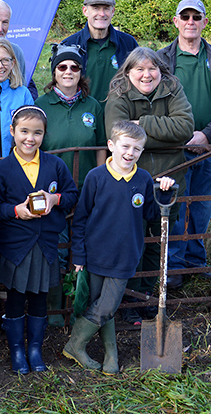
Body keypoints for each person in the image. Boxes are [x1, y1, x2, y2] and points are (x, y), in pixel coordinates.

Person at [65, 121, 175, 375]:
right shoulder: (96, 177)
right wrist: (79, 255)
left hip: (125, 256)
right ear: (111, 145)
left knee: (107, 306)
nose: (130, 153)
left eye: (137, 149)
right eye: (125, 146)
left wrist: (164, 193)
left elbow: (150, 213)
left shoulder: (144, 179)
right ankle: (110, 355)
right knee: (99, 304)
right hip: (95, 254)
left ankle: (75, 344)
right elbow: (81, 219)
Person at [104, 46, 193, 324]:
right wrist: (161, 134)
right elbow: (117, 136)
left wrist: (140, 124)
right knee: (132, 242)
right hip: (131, 181)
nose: (146, 75)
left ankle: (147, 297)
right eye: (139, 69)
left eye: (152, 68)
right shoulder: (118, 94)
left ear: (161, 70)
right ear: (128, 72)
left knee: (158, 242)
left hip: (169, 180)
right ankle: (127, 299)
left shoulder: (172, 89)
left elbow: (185, 128)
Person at [157, 0, 211, 288]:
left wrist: (207, 134)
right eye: (185, 16)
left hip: (209, 148)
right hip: (173, 149)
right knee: (176, 206)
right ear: (176, 22)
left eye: (196, 17)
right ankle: (173, 265)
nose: (190, 22)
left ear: (205, 22)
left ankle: (196, 261)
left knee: (202, 206)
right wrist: (176, 133)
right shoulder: (162, 59)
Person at [0, 106, 78, 374]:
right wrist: (16, 211)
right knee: (16, 296)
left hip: (45, 243)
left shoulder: (55, 165)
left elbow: (73, 194)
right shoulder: (2, 169)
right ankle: (17, 350)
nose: (30, 138)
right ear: (12, 132)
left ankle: (35, 348)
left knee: (40, 296)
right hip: (16, 244)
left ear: (44, 135)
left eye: (37, 133)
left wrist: (56, 199)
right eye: (24, 131)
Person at [34, 44, 107, 326]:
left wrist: (101, 180)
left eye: (74, 67)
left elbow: (101, 146)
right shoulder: (41, 104)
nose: (68, 72)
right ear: (54, 72)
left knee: (83, 249)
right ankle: (54, 312)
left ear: (81, 72)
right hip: (54, 192)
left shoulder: (93, 106)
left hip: (86, 190)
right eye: (62, 67)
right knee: (57, 246)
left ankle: (80, 309)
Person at [61, 0, 139, 103]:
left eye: (106, 8)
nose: (101, 14)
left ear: (113, 11)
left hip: (119, 114)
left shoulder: (128, 43)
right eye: (96, 8)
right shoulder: (68, 45)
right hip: (82, 114)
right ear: (85, 11)